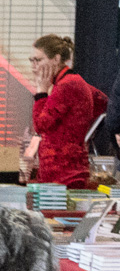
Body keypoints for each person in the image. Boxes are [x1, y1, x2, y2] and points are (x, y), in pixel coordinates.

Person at [30, 34, 106, 189]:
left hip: (63, 175)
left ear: (56, 59)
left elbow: (40, 125)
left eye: (38, 60)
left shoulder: (67, 84)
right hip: (64, 170)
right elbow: (102, 101)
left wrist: (41, 92)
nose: (34, 65)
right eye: (32, 60)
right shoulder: (72, 82)